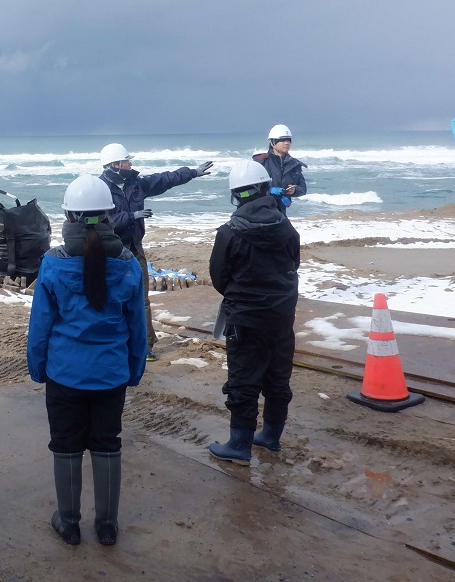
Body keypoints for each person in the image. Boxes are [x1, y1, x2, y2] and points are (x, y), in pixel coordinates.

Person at [27, 175, 147, 547]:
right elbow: (137, 327)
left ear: (69, 215)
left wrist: (38, 367)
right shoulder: (128, 265)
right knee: (107, 442)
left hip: (64, 374)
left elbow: (41, 326)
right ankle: (107, 526)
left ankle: (69, 522)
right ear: (109, 215)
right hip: (111, 374)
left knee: (65, 444)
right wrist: (134, 369)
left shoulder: (52, 263)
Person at [207, 160, 300, 465]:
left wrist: (243, 295)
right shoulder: (285, 226)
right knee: (277, 375)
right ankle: (271, 436)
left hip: (245, 319)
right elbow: (293, 264)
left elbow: (219, 276)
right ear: (264, 188)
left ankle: (239, 444)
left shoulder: (229, 232)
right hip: (281, 316)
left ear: (236, 195)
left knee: (243, 380)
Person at [98, 143, 213, 361]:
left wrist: (192, 173)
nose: (130, 164)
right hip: (109, 253)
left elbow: (164, 179)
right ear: (114, 165)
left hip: (134, 250)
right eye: (126, 161)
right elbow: (106, 221)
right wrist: (131, 216)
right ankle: (112, 343)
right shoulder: (100, 189)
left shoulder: (134, 184)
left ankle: (145, 346)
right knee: (111, 299)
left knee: (141, 300)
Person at [252, 124, 308, 214]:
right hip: (261, 212)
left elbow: (303, 189)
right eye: (282, 140)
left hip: (281, 213)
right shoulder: (261, 162)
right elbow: (250, 189)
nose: (286, 143)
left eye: (289, 140)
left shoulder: (294, 165)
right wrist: (269, 190)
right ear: (273, 142)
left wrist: (294, 191)